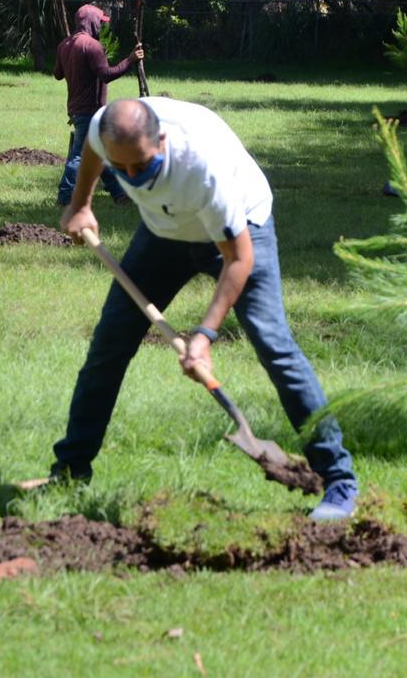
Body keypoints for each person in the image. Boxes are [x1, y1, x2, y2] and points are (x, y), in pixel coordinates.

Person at [53, 97, 359, 521]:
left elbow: (239, 260)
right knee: (108, 346)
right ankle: (69, 473)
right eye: (120, 168)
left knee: (274, 345)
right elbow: (92, 145)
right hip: (164, 233)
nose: (132, 177)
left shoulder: (202, 168)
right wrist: (82, 204)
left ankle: (339, 481)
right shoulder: (108, 129)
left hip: (241, 231)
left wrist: (205, 335)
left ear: (161, 141)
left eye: (141, 165)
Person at [54, 3, 145, 206]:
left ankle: (119, 193)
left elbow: (57, 74)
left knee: (100, 152)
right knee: (79, 156)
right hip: (90, 110)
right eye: (100, 22)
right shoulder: (92, 46)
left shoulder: (65, 45)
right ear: (91, 22)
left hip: (75, 109)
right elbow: (106, 75)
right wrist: (130, 60)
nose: (101, 27)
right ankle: (65, 196)